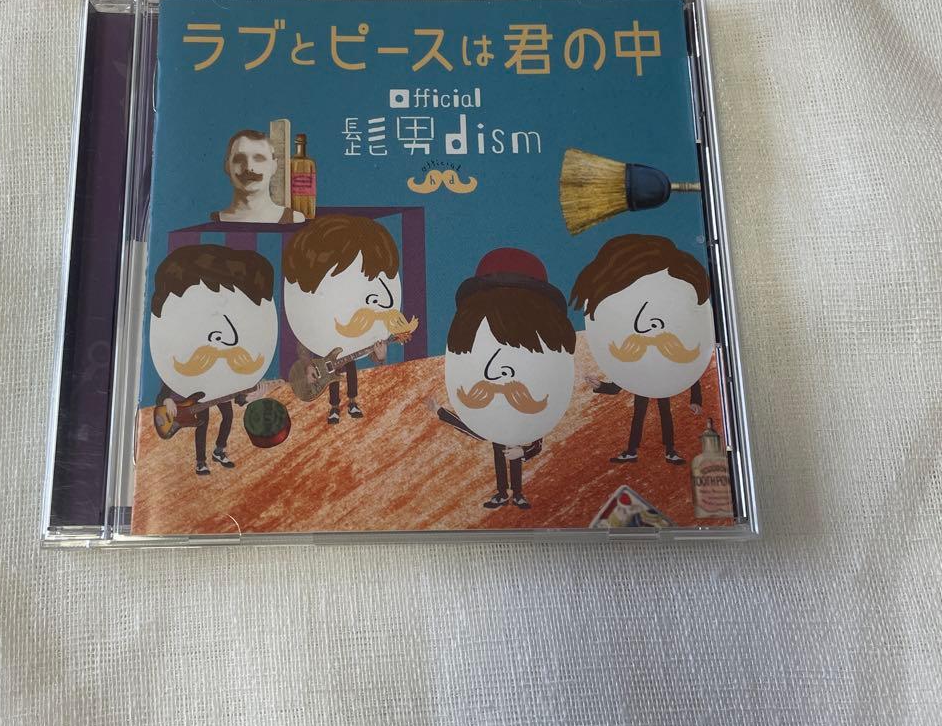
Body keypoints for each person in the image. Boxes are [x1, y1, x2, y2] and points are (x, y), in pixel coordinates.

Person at [437, 248, 576, 510]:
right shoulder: (489, 419)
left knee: (511, 458)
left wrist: (524, 452)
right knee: (500, 459)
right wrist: (440, 412)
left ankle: (518, 493)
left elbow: (538, 439)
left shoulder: (536, 415)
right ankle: (503, 492)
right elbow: (473, 428)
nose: (495, 374)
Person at [570, 234, 714, 464]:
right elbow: (623, 377)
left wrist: (695, 398)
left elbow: (690, 367)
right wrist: (603, 386)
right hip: (642, 381)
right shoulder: (633, 351)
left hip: (665, 380)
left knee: (665, 413)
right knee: (639, 414)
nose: (646, 325)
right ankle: (632, 450)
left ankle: (670, 449)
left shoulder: (678, 346)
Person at [149, 244, 277, 475]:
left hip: (221, 387)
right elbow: (168, 380)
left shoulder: (231, 365)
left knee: (227, 415)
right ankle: (201, 460)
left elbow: (238, 394)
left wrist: (249, 396)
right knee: (203, 422)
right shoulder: (181, 354)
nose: (225, 337)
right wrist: (165, 399)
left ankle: (220, 450)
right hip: (198, 393)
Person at [282, 214, 416, 425]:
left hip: (349, 352)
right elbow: (303, 344)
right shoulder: (315, 324)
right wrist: (308, 365)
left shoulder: (361, 330)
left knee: (351, 369)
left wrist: (380, 357)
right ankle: (334, 406)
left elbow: (370, 352)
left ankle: (352, 402)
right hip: (325, 357)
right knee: (333, 376)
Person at [211, 128, 304, 224]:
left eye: (259, 158)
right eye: (239, 159)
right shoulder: (212, 222)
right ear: (227, 166)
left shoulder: (295, 219)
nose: (249, 167)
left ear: (274, 166)